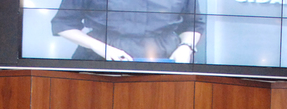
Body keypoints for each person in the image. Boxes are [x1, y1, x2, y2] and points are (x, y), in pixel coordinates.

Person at [52, 0, 205, 62]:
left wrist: (186, 47)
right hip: (100, 60)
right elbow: (63, 23)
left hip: (166, 60)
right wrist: (99, 47)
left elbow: (193, 24)